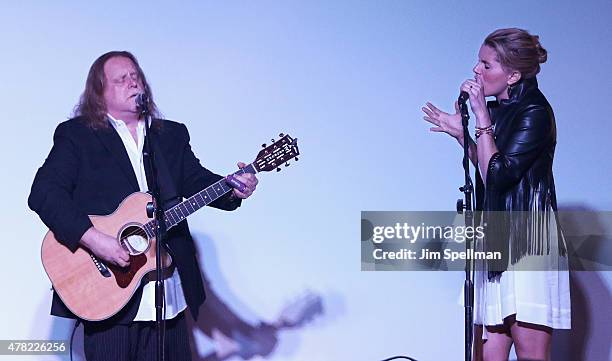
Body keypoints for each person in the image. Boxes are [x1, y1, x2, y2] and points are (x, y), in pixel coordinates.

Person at [28, 51, 259, 361]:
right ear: (99, 93)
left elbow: (196, 180)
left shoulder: (171, 135)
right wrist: (96, 240)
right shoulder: (78, 136)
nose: (132, 82)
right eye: (121, 79)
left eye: (135, 76)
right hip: (108, 298)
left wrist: (233, 190)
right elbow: (43, 193)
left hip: (169, 297)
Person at [422, 28, 571, 361]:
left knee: (531, 353)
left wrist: (481, 119)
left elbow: (500, 176)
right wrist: (463, 137)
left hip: (529, 242)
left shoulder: (535, 112)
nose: (476, 70)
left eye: (486, 65)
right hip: (496, 241)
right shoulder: (498, 111)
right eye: (478, 61)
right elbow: (490, 172)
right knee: (486, 355)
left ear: (513, 74)